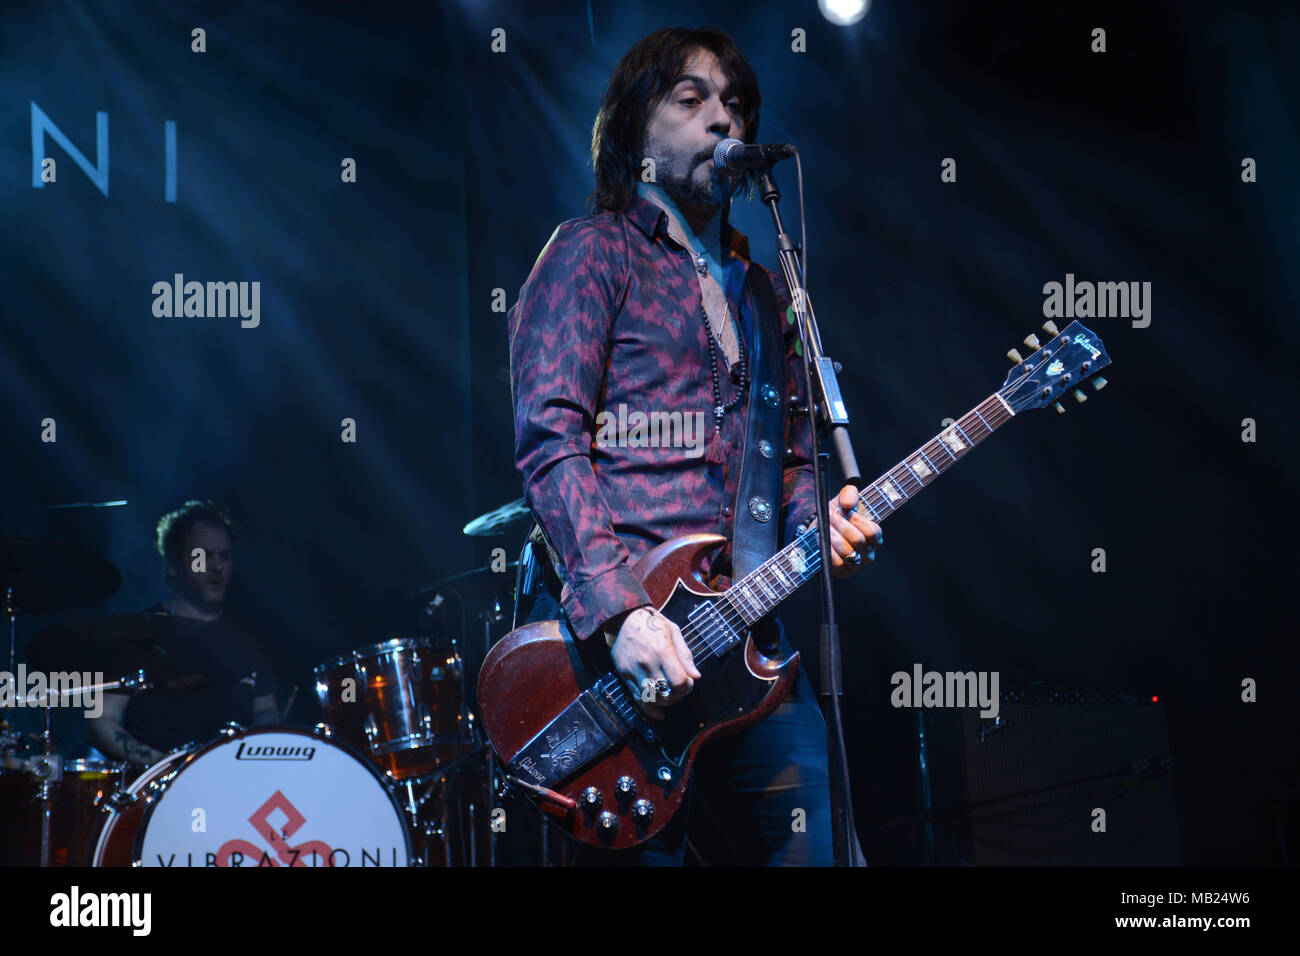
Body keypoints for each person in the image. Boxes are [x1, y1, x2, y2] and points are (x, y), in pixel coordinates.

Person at [507, 27, 881, 865]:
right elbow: (550, 443)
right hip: (618, 655)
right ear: (636, 129)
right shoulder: (591, 253)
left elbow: (782, 462)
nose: (724, 120)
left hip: (751, 646)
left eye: (737, 103)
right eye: (693, 99)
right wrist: (623, 614)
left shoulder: (765, 287)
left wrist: (818, 518)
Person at [84, 501, 278, 765]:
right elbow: (99, 722)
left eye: (224, 556)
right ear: (173, 564)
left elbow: (267, 713)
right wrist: (165, 767)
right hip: (157, 789)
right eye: (203, 556)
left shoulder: (248, 640)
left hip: (233, 785)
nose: (216, 567)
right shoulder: (135, 634)